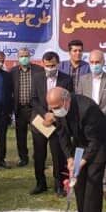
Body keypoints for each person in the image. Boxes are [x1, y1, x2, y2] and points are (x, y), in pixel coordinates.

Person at [50, 87, 106, 212]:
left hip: (101, 144)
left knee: (92, 183)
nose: (55, 111)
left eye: (57, 107)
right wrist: (70, 158)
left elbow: (94, 142)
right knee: (78, 181)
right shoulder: (59, 109)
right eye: (52, 108)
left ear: (66, 101)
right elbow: (62, 134)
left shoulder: (88, 109)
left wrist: (83, 161)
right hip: (81, 144)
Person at [76, 49, 106, 198]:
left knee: (104, 155)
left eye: (98, 62)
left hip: (105, 123)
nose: (95, 65)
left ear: (104, 62)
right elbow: (79, 99)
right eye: (92, 62)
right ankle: (84, 182)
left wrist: (99, 115)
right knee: (85, 152)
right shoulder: (83, 79)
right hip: (86, 124)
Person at [30, 51, 73, 196]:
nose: (50, 68)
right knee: (39, 155)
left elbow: (68, 100)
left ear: (58, 64)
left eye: (53, 65)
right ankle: (40, 183)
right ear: (43, 64)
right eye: (47, 65)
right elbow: (34, 99)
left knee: (58, 155)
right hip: (40, 122)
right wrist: (45, 114)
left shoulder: (66, 79)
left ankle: (59, 185)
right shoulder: (36, 78)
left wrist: (54, 115)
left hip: (58, 122)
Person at [11, 47, 41, 168]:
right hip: (20, 109)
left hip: (35, 108)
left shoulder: (38, 70)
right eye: (22, 56)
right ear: (18, 58)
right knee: (21, 136)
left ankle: (38, 157)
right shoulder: (12, 72)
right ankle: (23, 158)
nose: (24, 58)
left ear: (30, 57)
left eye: (26, 56)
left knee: (38, 135)